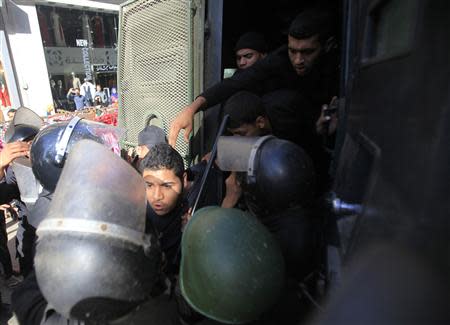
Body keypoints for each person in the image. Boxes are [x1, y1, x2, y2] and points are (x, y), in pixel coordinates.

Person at [169, 9, 338, 192]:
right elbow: (235, 83)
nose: (298, 60)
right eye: (293, 51)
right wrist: (193, 108)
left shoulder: (339, 68)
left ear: (327, 46)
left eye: (307, 52)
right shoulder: (279, 64)